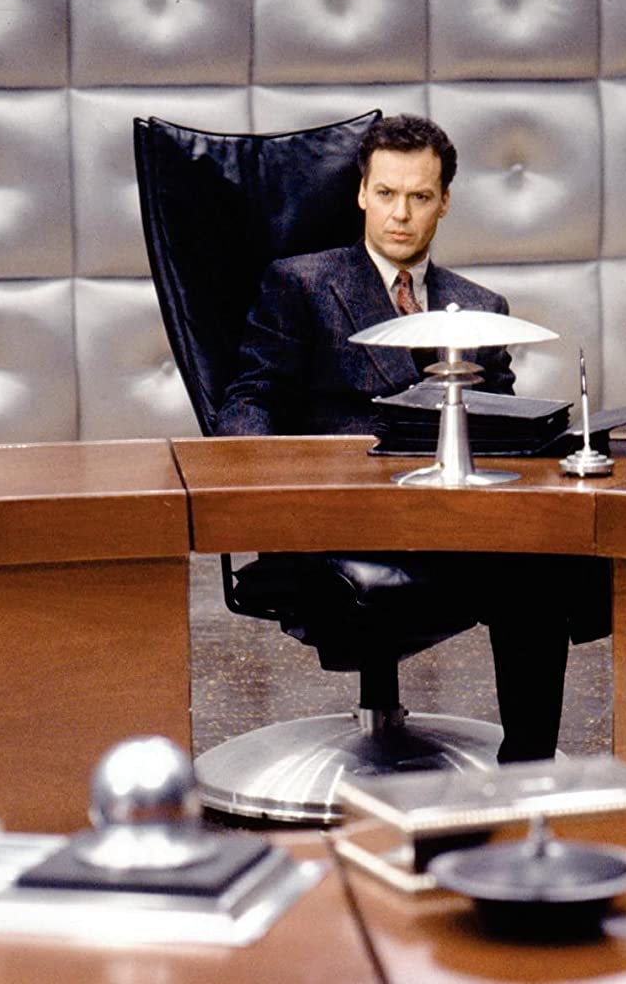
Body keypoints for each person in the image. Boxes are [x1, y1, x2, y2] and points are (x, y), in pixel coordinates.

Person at [217, 114, 596, 762]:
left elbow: (499, 428)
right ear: (361, 193)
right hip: (344, 518)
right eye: (386, 193)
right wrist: (274, 495)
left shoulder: (480, 308)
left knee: (548, 561)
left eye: (419, 196)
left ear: (444, 201)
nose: (400, 214)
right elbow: (249, 400)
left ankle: (528, 771)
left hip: (452, 520)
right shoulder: (302, 283)